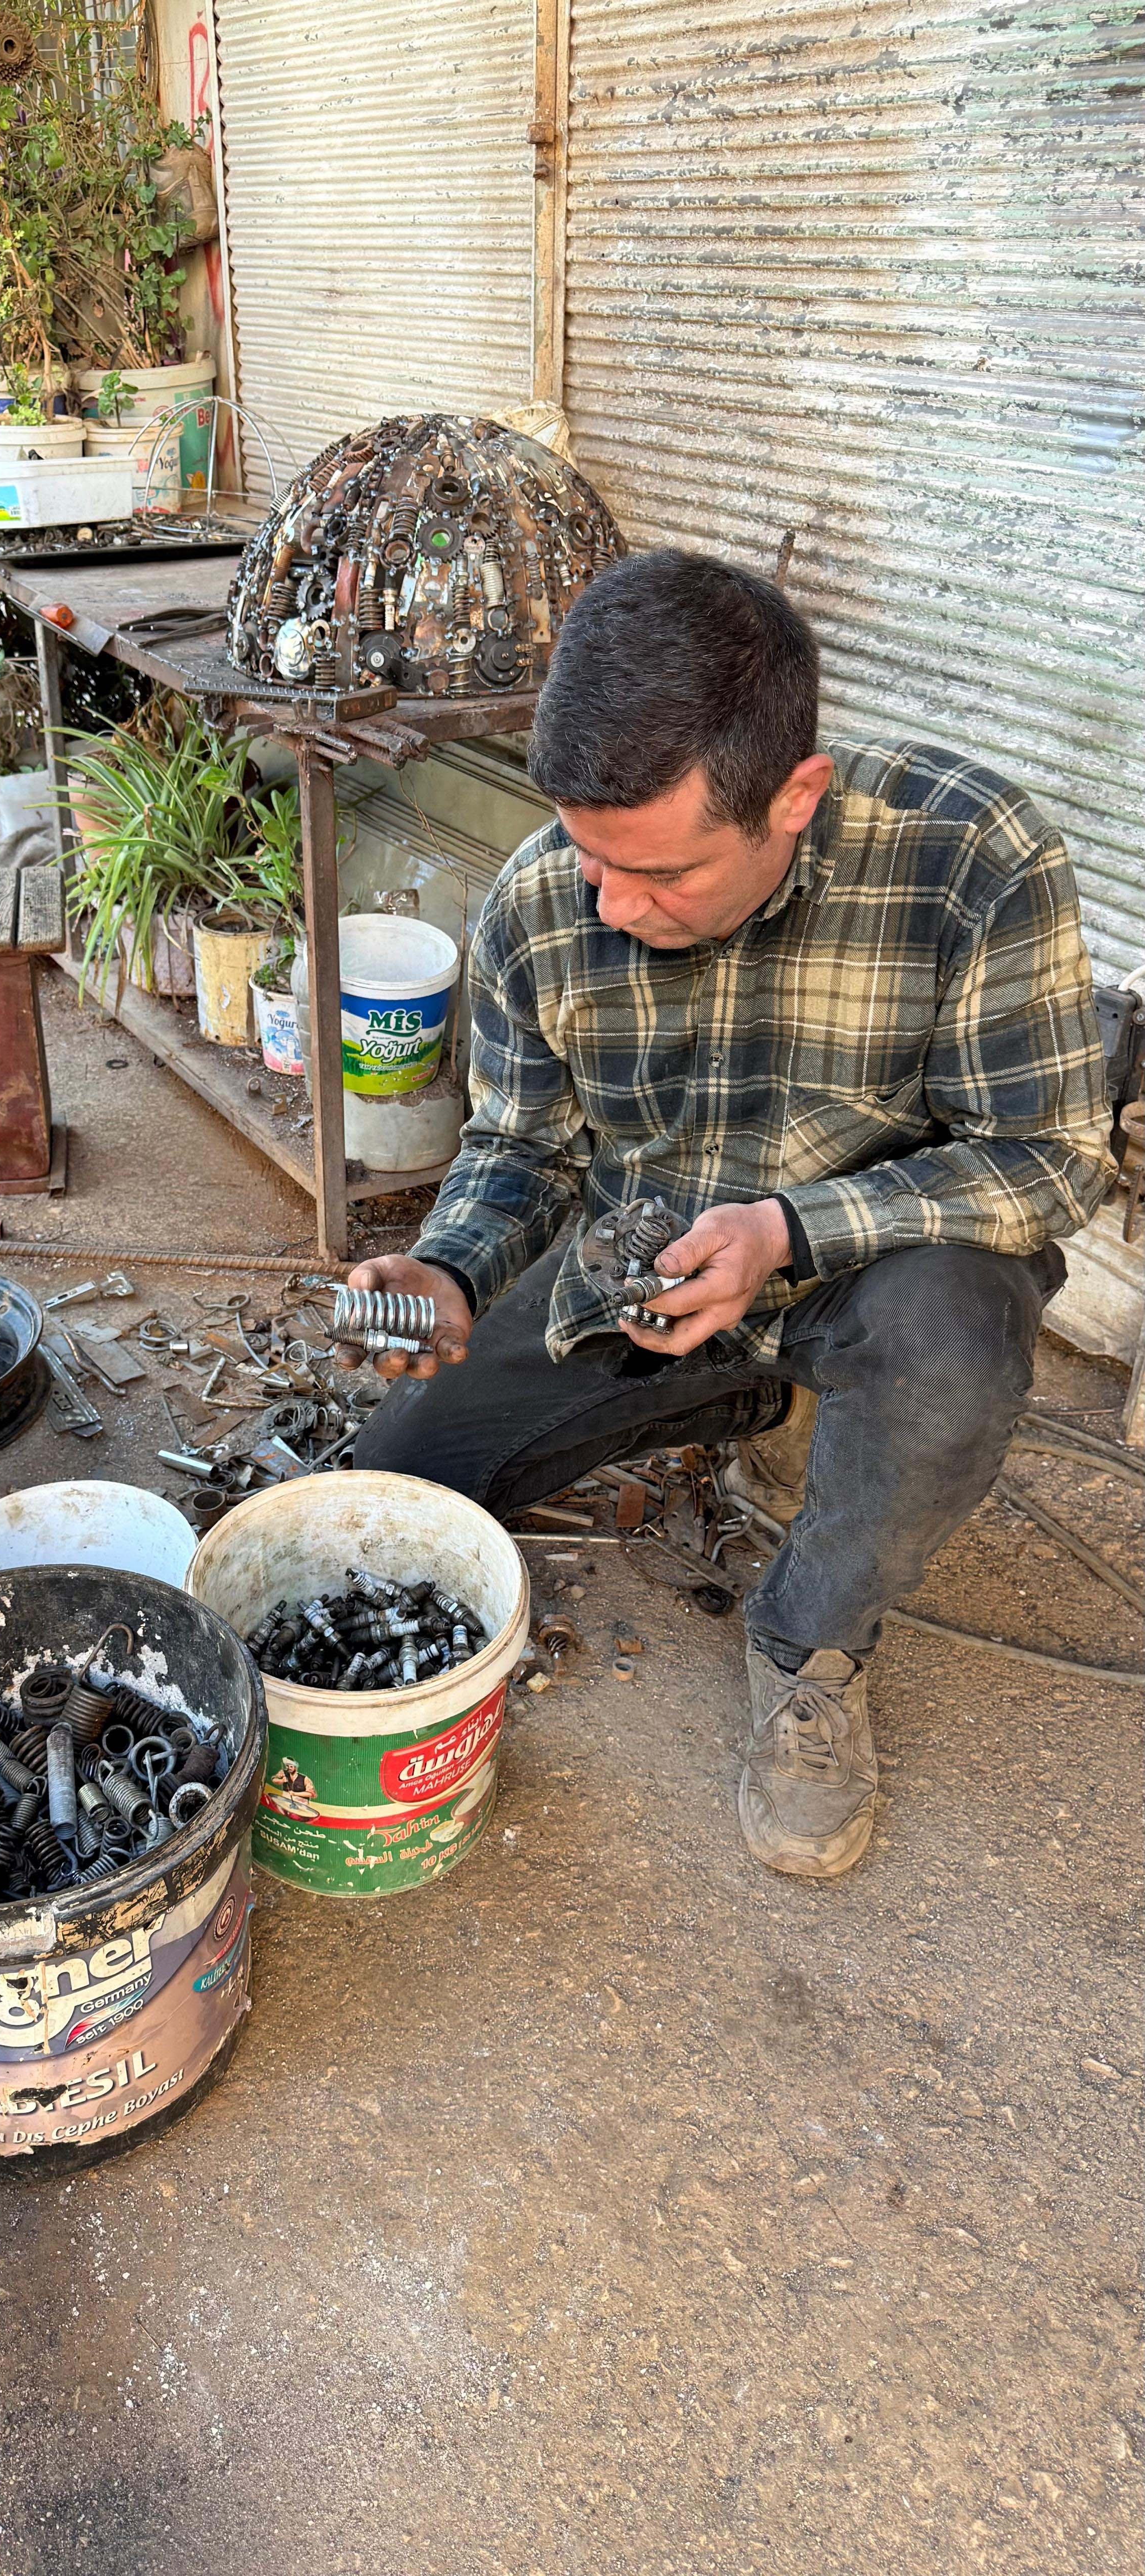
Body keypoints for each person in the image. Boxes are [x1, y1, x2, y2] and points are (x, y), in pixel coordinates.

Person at [346, 549, 1113, 1882]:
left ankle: (810, 1646)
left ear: (794, 799)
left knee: (952, 1335)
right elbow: (522, 1149)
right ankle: (711, 1407)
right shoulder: (544, 900)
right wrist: (454, 1266)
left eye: (662, 873)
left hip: (875, 1287)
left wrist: (787, 1235)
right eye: (591, 857)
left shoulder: (972, 859)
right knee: (379, 1498)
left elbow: (1048, 1165)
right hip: (638, 1282)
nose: (612, 904)